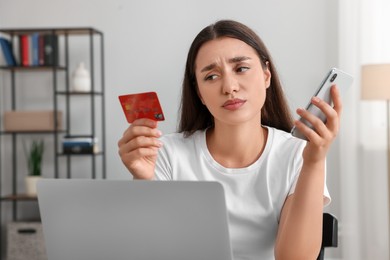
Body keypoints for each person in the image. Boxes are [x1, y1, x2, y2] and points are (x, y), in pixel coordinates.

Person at [118, 20, 341, 260]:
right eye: (211, 76)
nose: (229, 87)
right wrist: (144, 180)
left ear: (266, 75)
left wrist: (314, 162)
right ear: (199, 93)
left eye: (241, 68)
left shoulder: (299, 153)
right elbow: (155, 249)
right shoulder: (166, 152)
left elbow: (293, 258)